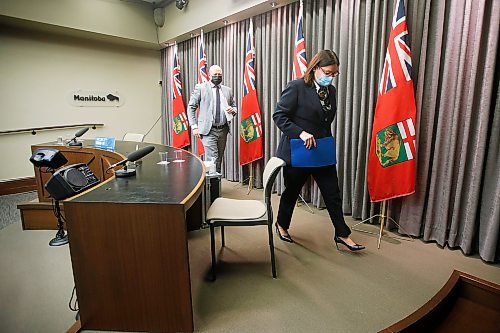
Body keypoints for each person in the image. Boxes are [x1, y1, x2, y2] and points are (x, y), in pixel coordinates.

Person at [272, 50, 365, 251]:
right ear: (315, 68)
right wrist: (301, 133)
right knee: (292, 192)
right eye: (328, 72)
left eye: (334, 74)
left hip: (322, 150)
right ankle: (281, 225)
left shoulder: (330, 91)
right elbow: (279, 116)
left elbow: (324, 121)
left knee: (333, 193)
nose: (331, 77)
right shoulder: (296, 87)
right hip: (299, 150)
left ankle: (342, 234)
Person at [187, 65, 237, 173]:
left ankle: (215, 185)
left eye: (220, 75)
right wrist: (194, 126)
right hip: (208, 130)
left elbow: (234, 106)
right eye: (215, 74)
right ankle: (211, 186)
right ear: (209, 75)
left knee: (218, 159)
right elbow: (191, 107)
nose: (217, 76)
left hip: (223, 129)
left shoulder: (228, 90)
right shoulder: (201, 88)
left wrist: (232, 110)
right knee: (212, 158)